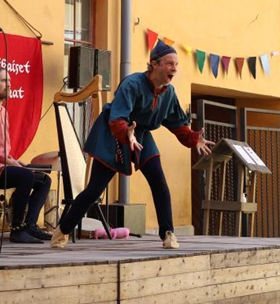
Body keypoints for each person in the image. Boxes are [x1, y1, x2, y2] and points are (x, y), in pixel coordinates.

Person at [50, 41, 214, 250]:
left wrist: (194, 138)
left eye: (176, 64)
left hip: (141, 135)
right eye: (169, 63)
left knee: (159, 182)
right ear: (154, 64)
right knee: (94, 191)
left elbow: (177, 125)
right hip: (113, 135)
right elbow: (117, 119)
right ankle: (62, 230)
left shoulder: (169, 94)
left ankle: (167, 233)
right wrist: (127, 134)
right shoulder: (132, 84)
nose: (174, 68)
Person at [0, 68, 52, 244]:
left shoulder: (3, 112)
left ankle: (29, 225)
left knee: (44, 180)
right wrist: (8, 160)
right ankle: (16, 229)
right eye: (4, 81)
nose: (9, 85)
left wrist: (15, 160)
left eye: (10, 81)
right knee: (25, 176)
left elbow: (2, 149)